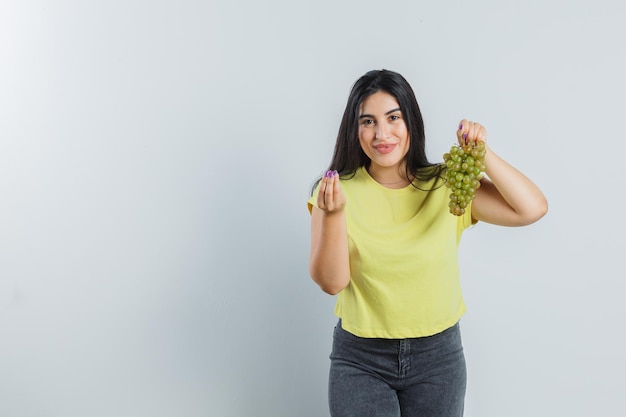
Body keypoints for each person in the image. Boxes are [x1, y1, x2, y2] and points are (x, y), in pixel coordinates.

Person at [307, 69, 548, 417]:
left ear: (412, 122)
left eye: (393, 118)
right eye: (368, 121)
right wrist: (333, 215)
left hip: (438, 360)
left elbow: (532, 208)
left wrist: (484, 153)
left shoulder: (449, 185)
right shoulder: (334, 192)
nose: (381, 134)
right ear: (354, 130)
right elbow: (332, 283)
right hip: (360, 360)